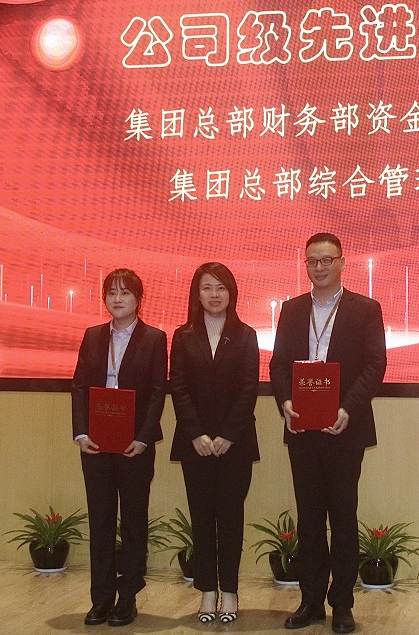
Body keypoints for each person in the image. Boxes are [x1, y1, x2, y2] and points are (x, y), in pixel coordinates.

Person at [269, 233, 387, 635]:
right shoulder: (291, 310)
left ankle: (342, 604)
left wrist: (347, 408)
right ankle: (311, 600)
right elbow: (278, 364)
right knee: (309, 519)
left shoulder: (365, 309)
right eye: (312, 261)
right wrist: (285, 402)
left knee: (343, 516)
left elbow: (375, 365)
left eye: (326, 260)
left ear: (342, 263)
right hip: (302, 429)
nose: (319, 268)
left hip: (344, 429)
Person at [71, 268, 167, 627]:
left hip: (134, 445)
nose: (118, 299)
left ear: (138, 299)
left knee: (133, 522)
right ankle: (101, 599)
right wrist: (81, 433)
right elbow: (79, 387)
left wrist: (143, 437)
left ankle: (128, 597)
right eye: (111, 292)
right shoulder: (92, 335)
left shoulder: (154, 338)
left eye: (125, 292)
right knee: (100, 521)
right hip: (96, 444)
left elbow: (157, 392)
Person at [169, 262, 260, 623]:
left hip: (234, 444)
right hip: (195, 444)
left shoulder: (246, 335)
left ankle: (231, 592)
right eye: (207, 287)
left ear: (231, 292)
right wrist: (196, 433)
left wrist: (227, 435)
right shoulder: (182, 336)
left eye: (221, 287)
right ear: (197, 293)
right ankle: (208, 590)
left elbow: (249, 388)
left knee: (231, 518)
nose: (214, 294)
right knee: (202, 518)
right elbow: (178, 387)